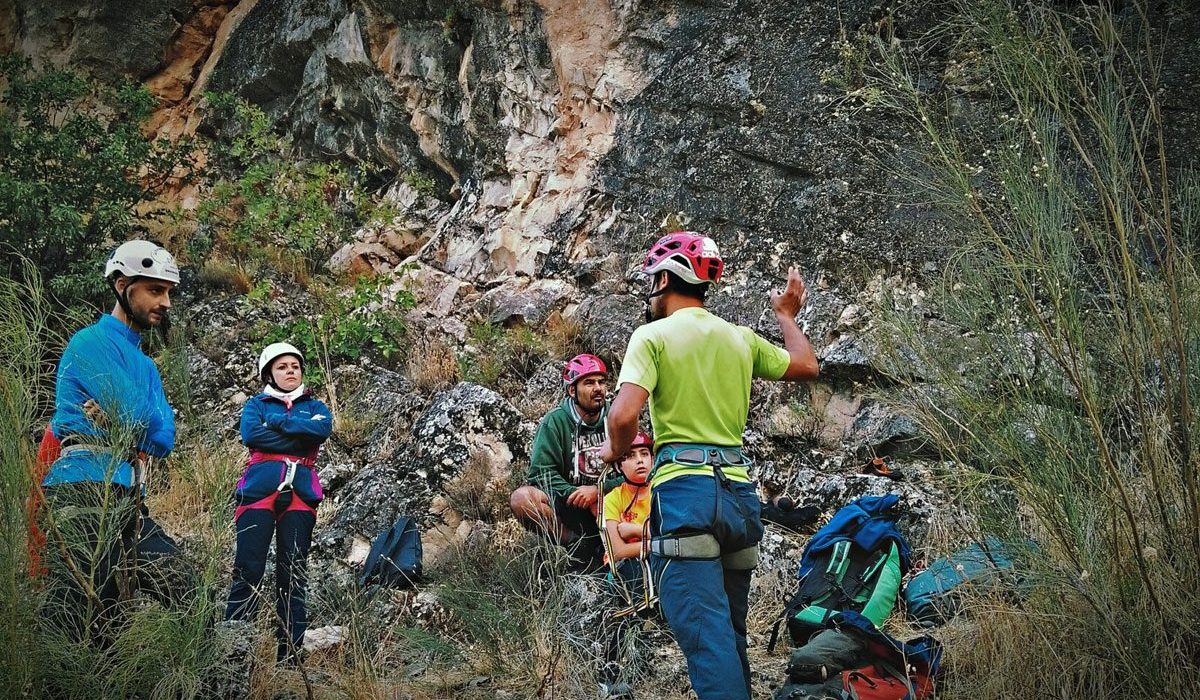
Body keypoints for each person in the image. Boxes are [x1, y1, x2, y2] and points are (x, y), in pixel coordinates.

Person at [600, 231, 820, 700]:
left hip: (687, 498)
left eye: (651, 282)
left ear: (664, 278)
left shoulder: (652, 336)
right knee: (728, 634)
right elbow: (806, 365)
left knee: (705, 637)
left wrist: (613, 451)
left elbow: (623, 415)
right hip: (740, 498)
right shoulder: (740, 339)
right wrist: (784, 315)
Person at [40, 240, 190, 643]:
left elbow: (163, 439)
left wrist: (125, 416)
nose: (166, 302)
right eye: (155, 290)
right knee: (84, 616)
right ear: (123, 285)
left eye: (169, 292)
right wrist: (133, 416)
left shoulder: (145, 366)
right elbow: (141, 416)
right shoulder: (87, 343)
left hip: (127, 494)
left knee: (185, 585)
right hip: (80, 487)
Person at [225, 342, 332, 663]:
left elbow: (322, 430)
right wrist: (300, 434)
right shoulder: (256, 405)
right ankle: (234, 655)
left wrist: (280, 423)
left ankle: (290, 658)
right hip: (258, 491)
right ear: (269, 372)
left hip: (301, 494)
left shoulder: (317, 406)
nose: (290, 371)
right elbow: (252, 436)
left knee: (294, 572)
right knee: (248, 568)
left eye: (295, 366)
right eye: (283, 366)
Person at [509, 353, 620, 570]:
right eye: (589, 383)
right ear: (572, 390)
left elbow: (640, 467)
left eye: (601, 382)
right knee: (521, 499)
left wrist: (598, 490)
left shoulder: (617, 416)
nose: (598, 388)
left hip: (614, 502)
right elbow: (540, 472)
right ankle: (578, 545)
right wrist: (573, 493)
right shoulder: (555, 421)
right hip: (572, 506)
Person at [597, 430, 655, 699]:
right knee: (629, 572)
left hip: (657, 566)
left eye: (645, 454)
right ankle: (610, 673)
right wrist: (650, 537)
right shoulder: (613, 499)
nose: (640, 461)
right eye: (630, 456)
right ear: (619, 465)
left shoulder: (662, 492)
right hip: (626, 572)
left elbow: (667, 536)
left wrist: (630, 527)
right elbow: (617, 551)